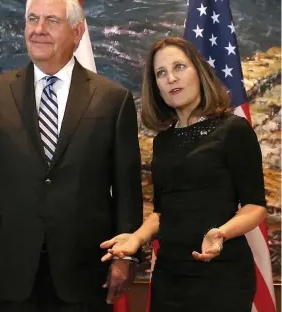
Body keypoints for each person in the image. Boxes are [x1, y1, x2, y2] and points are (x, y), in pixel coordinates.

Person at [0, 0, 142, 312]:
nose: (38, 29)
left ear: (77, 31)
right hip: (6, 269)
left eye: (51, 20)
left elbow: (127, 189)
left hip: (85, 271)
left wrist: (124, 255)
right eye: (32, 19)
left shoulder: (113, 99)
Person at [101, 37, 267, 312]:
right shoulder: (162, 142)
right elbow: (162, 212)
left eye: (179, 67)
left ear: (198, 72)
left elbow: (255, 207)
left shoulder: (233, 130)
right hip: (170, 276)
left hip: (221, 276)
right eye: (161, 73)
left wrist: (221, 233)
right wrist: (136, 238)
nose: (171, 78)